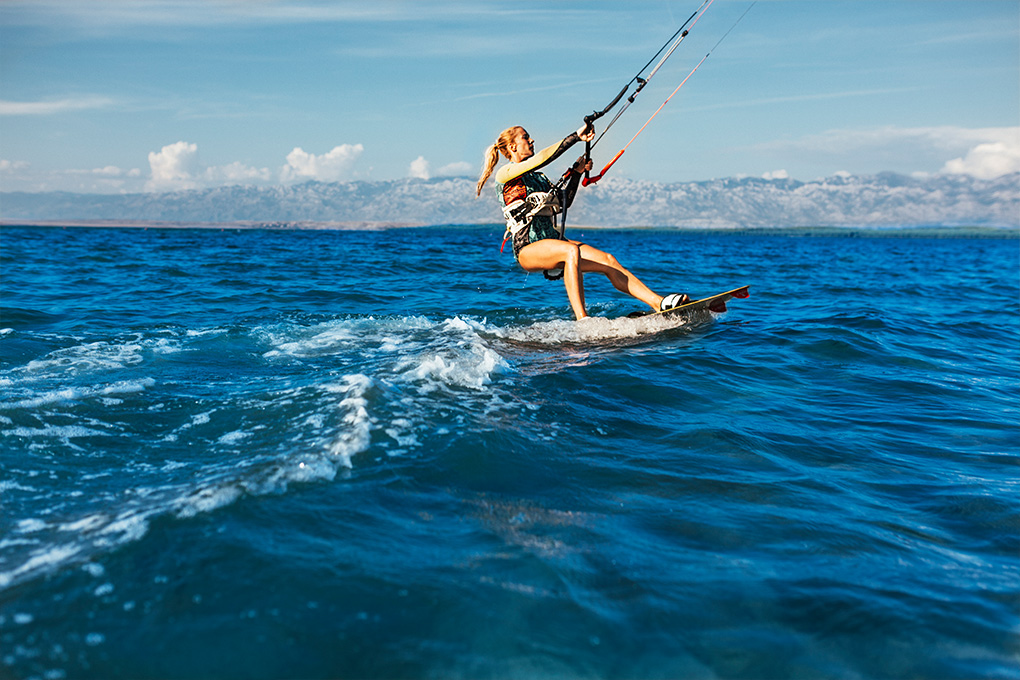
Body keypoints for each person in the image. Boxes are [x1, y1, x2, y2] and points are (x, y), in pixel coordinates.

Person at [476, 123, 689, 321]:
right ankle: (583, 319)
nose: (531, 140)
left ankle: (659, 303)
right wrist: (576, 137)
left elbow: (564, 202)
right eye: (526, 137)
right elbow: (542, 158)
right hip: (527, 248)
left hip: (552, 241)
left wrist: (577, 174)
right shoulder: (505, 174)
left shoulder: (538, 178)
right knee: (571, 251)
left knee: (608, 260)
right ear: (512, 146)